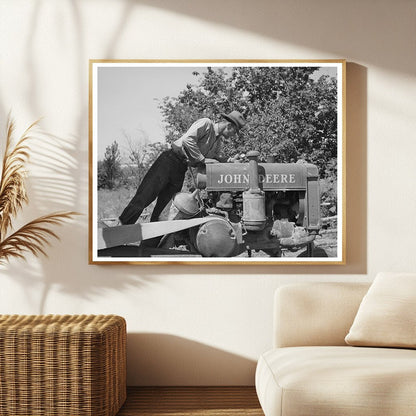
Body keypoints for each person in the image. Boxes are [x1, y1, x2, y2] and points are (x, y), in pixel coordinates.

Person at [119, 110, 246, 225]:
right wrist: (202, 160)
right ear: (229, 126)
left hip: (181, 169)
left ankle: (149, 246)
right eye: (234, 131)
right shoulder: (206, 124)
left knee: (165, 209)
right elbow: (187, 140)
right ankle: (119, 231)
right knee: (144, 198)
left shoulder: (217, 141)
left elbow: (216, 158)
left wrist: (230, 160)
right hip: (169, 161)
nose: (233, 135)